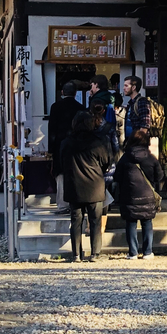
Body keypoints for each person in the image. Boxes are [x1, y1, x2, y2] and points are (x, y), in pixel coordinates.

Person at [59, 110, 114, 262]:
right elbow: (106, 162)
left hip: (74, 185)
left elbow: (61, 163)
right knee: (95, 220)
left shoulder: (67, 142)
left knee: (76, 221)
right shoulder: (98, 141)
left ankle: (76, 254)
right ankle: (95, 253)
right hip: (94, 186)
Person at [114, 126, 166, 259]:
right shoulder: (151, 158)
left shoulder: (125, 158)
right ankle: (148, 252)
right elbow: (159, 176)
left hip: (129, 196)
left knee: (131, 223)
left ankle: (133, 252)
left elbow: (117, 177)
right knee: (147, 222)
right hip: (148, 196)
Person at [47, 81, 80, 210]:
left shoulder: (55, 107)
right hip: (77, 146)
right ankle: (75, 203)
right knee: (76, 173)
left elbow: (52, 129)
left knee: (60, 175)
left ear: (62, 92)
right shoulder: (80, 107)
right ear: (75, 93)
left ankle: (62, 205)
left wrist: (50, 149)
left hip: (59, 145)